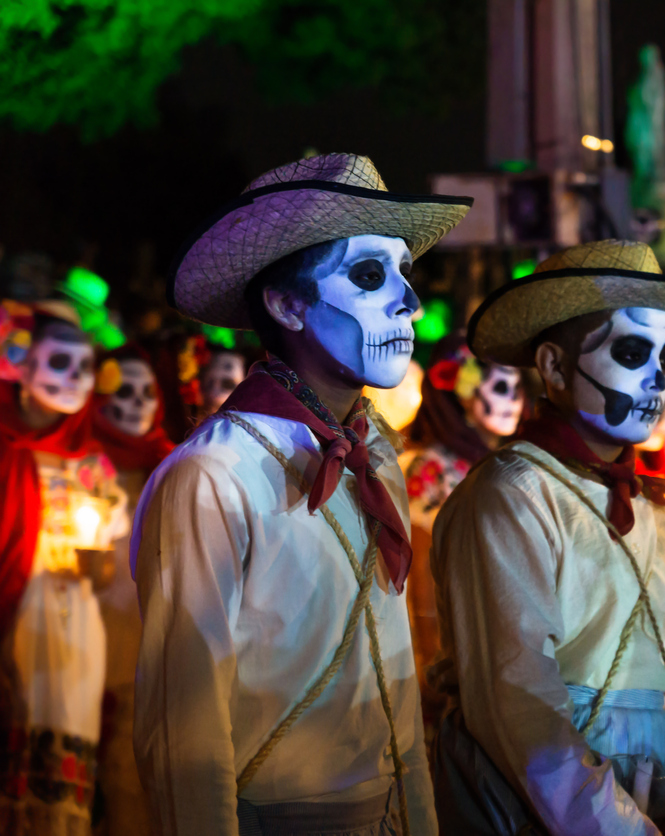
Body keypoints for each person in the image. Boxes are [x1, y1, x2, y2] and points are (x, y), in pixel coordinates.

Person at [131, 153, 471, 835]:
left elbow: (398, 688)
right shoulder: (212, 475)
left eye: (405, 274)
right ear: (287, 303)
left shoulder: (374, 457)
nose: (410, 302)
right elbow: (183, 731)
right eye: (371, 276)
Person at [428, 239, 665, 836]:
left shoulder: (661, 516)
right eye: (632, 351)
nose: (655, 379)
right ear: (556, 367)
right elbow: (521, 707)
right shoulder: (512, 498)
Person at [0, 303, 127, 836]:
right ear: (21, 369)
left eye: (84, 366)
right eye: (60, 363)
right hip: (16, 617)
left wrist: (98, 566)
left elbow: (106, 547)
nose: (75, 379)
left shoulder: (92, 462)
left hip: (74, 625)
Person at [90, 345, 176, 836]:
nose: (139, 403)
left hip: (145, 636)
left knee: (131, 768)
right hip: (82, 633)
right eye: (125, 392)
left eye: (147, 393)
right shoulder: (78, 461)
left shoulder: (170, 463)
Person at [405, 333, 522, 677]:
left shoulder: (515, 461)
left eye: (518, 390)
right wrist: (431, 649)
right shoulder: (433, 466)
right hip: (456, 621)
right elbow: (422, 562)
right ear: (465, 390)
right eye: (501, 389)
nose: (513, 402)